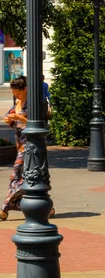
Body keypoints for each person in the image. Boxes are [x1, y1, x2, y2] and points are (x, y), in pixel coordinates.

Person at [0, 76, 54, 221]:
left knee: (15, 175)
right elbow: (11, 116)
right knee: (28, 176)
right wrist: (9, 119)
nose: (15, 96)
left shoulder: (35, 103)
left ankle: (5, 207)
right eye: (13, 94)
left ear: (25, 89)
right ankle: (43, 206)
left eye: (18, 93)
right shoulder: (18, 102)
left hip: (31, 145)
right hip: (20, 144)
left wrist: (19, 118)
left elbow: (36, 122)